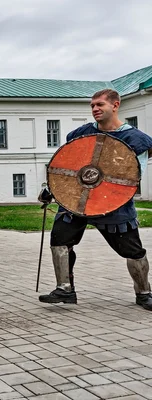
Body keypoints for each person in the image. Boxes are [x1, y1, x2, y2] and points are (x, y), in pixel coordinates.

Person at [39, 89, 152, 311]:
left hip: (113, 202)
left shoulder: (135, 140)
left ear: (115, 105)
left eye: (100, 105)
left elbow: (130, 177)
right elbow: (67, 169)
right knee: (60, 240)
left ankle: (144, 293)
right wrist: (50, 190)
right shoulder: (79, 135)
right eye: (92, 106)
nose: (95, 109)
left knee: (133, 251)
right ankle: (65, 289)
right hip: (75, 201)